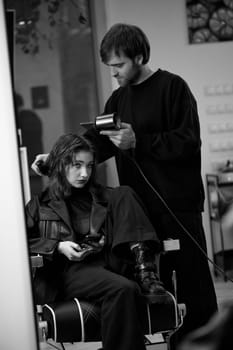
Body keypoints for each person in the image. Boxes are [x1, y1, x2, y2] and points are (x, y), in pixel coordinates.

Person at [31, 23, 218, 346]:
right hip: (138, 212)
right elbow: (96, 145)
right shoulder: (117, 99)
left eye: (119, 65)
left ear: (140, 56)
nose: (114, 73)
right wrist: (56, 157)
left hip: (178, 206)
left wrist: (139, 141)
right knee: (154, 288)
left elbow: (188, 142)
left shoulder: (174, 88)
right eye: (110, 67)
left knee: (192, 284)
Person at [27, 133, 172, 350]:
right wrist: (57, 246)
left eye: (89, 166)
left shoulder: (106, 196)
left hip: (108, 261)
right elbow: (17, 242)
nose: (84, 173)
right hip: (70, 271)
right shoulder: (40, 204)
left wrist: (104, 240)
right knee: (124, 289)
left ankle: (145, 270)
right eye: (76, 165)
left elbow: (130, 222)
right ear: (60, 165)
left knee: (125, 192)